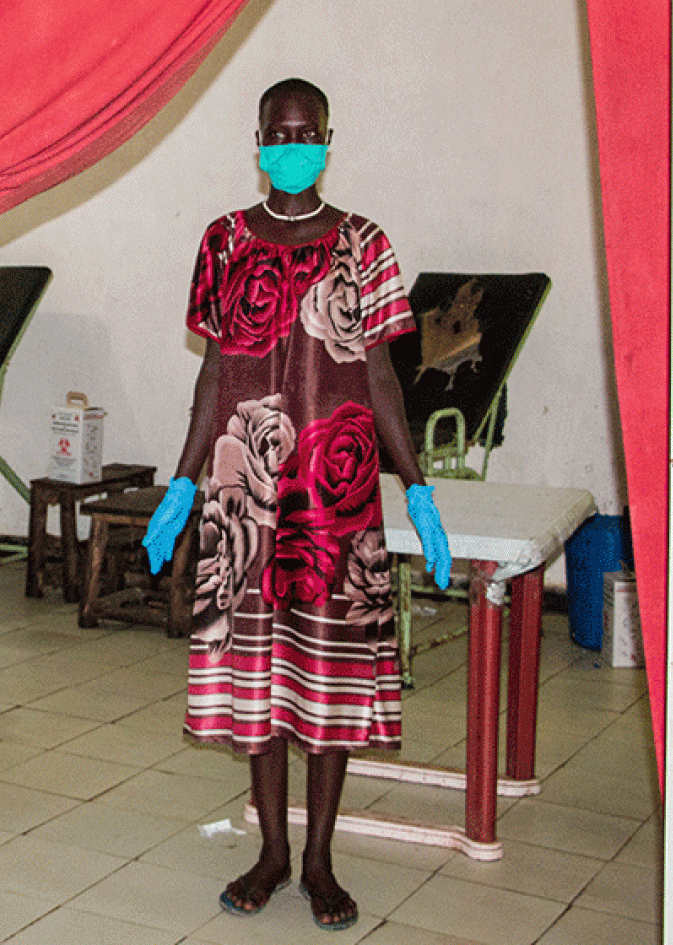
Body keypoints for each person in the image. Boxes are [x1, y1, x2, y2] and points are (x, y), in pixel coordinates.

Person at [142, 77, 452, 933]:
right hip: (245, 489)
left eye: (306, 130)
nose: (292, 142)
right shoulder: (223, 241)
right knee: (257, 675)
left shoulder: (367, 244)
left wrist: (415, 484)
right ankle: (272, 850)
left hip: (337, 493)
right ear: (257, 139)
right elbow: (212, 374)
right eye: (278, 131)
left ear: (327, 137)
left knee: (331, 673)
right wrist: (182, 478)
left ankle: (319, 860)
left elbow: (383, 375)